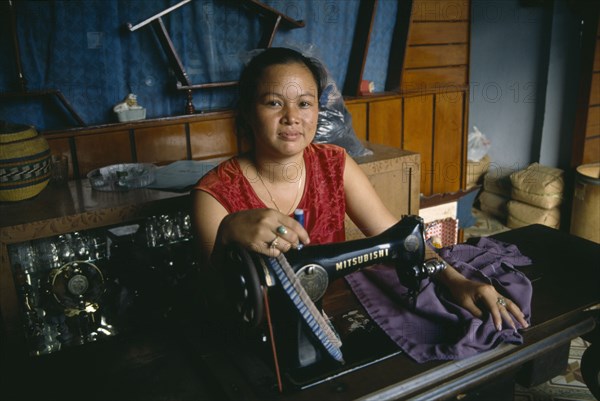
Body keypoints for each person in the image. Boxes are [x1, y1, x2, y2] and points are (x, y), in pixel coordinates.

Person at [192, 47, 528, 333]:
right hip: (257, 335)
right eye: (274, 103)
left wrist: (457, 281)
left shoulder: (335, 165)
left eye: (305, 103)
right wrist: (227, 235)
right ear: (248, 112)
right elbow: (213, 301)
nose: (292, 117)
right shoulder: (214, 196)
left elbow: (398, 237)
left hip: (335, 315)